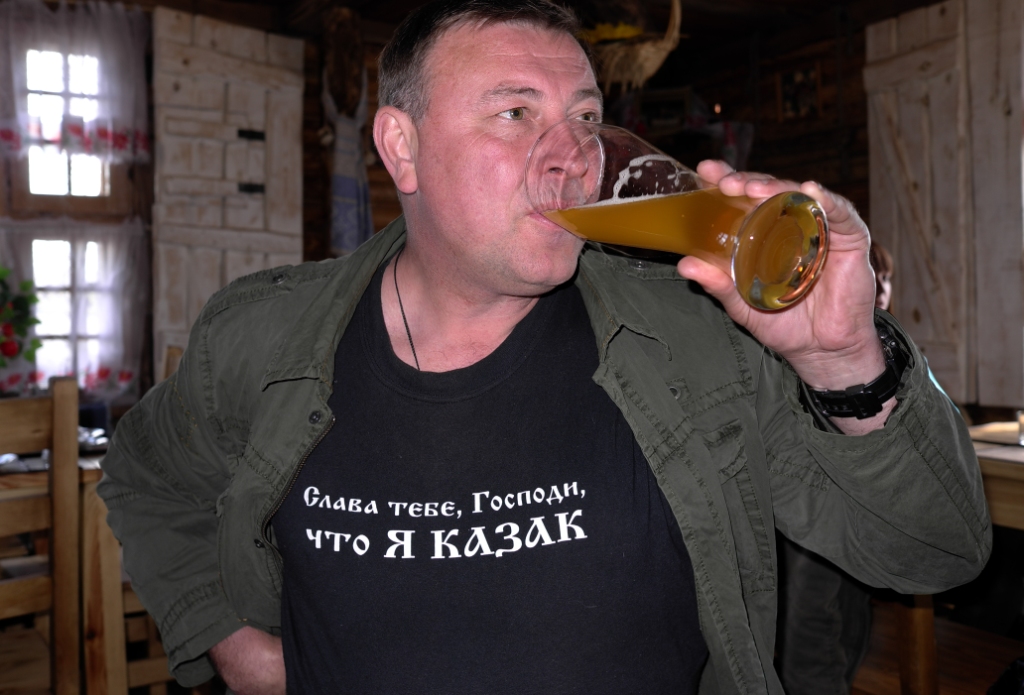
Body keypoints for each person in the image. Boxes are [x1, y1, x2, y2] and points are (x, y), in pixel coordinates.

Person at [98, 2, 991, 694]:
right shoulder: (261, 338)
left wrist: (843, 362)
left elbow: (937, 552)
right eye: (516, 113)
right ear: (402, 148)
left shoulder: (695, 343)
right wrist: (228, 637)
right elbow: (145, 475)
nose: (573, 156)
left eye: (586, 117)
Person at [775, 240, 897, 695]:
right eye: (873, 274)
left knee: (846, 611)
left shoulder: (890, 348)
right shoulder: (810, 341)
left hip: (859, 502)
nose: (881, 286)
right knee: (813, 613)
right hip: (816, 494)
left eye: (886, 278)